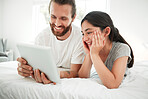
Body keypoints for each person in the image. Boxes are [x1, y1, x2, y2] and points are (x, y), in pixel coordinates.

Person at [17, 0, 84, 84]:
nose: (57, 23)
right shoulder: (42, 37)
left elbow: (75, 72)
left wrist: (53, 74)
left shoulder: (80, 38)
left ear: (73, 17)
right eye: (53, 17)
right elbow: (35, 66)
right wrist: (25, 69)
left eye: (63, 18)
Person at [78, 11, 134, 89]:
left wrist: (94, 54)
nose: (85, 38)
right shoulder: (93, 48)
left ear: (106, 31)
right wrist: (89, 54)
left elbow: (113, 84)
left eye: (89, 32)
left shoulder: (122, 48)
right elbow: (82, 78)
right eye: (83, 34)